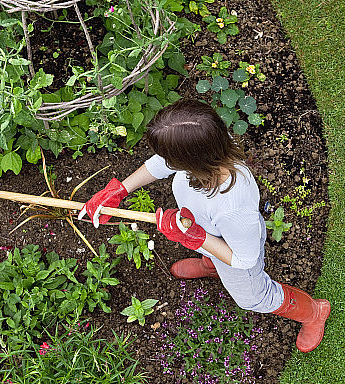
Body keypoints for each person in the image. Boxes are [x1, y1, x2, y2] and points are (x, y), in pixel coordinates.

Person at [78, 99, 330, 352]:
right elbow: (161, 164)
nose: (164, 161)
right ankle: (211, 265)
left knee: (254, 298)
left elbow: (245, 260)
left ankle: (313, 313)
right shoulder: (209, 142)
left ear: (190, 160)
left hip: (235, 253)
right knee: (212, 252)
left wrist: (195, 238)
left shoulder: (233, 208)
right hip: (211, 233)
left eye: (169, 157)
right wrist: (121, 189)